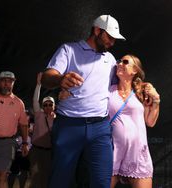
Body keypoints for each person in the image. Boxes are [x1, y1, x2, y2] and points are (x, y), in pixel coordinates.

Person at [41, 15, 125, 188]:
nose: (112, 42)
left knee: (102, 182)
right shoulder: (69, 50)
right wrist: (60, 79)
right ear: (97, 30)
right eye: (109, 37)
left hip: (100, 128)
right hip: (69, 125)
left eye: (114, 39)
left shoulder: (110, 59)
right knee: (60, 181)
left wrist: (142, 87)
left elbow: (123, 86)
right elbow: (47, 77)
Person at [108, 54, 160, 188]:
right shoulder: (107, 91)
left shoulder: (141, 92)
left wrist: (156, 100)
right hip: (112, 151)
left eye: (125, 62)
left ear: (135, 70)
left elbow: (150, 122)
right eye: (119, 61)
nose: (119, 64)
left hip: (137, 153)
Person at [28, 72, 56, 188]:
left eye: (50, 104)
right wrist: (38, 85)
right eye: (45, 105)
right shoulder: (39, 115)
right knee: (34, 175)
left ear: (54, 106)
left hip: (50, 151)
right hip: (36, 150)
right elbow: (35, 100)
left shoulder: (58, 119)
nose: (48, 106)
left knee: (46, 176)